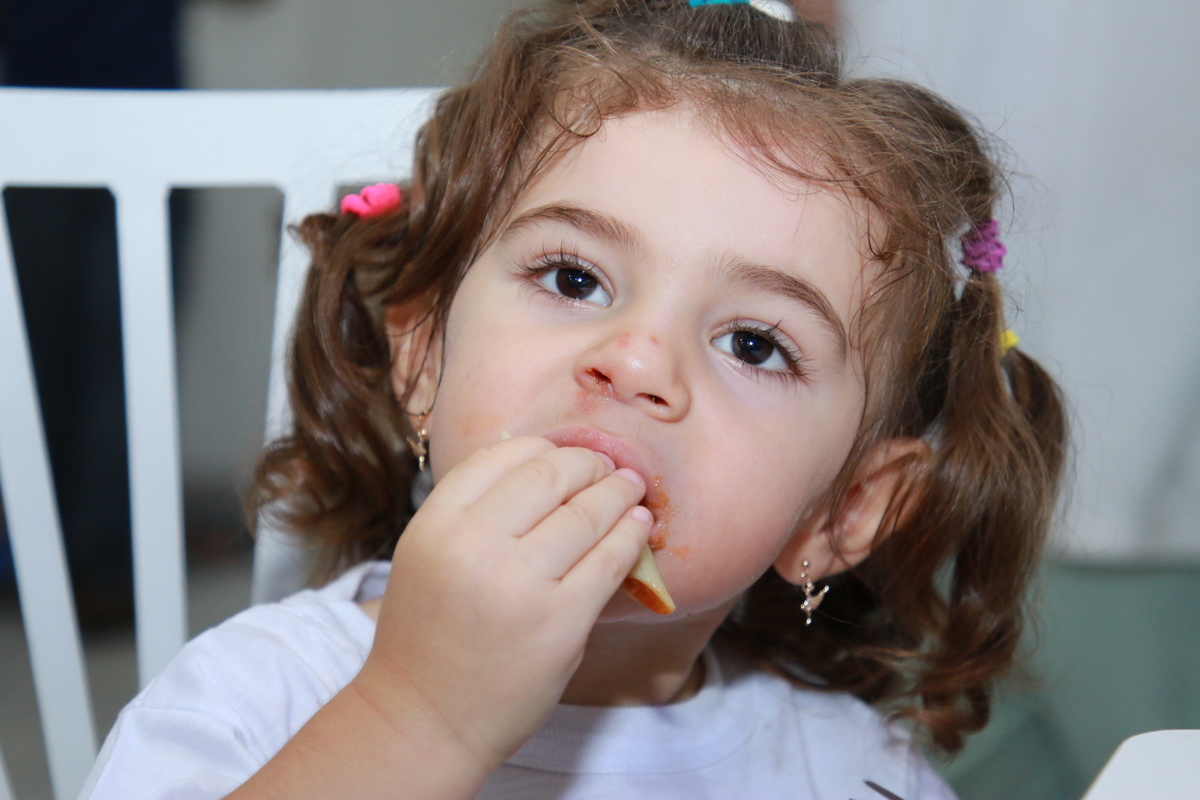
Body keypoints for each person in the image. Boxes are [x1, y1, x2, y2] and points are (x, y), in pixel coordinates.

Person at [79, 0, 1067, 797]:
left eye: (754, 344)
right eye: (574, 278)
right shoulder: (256, 701)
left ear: (847, 508)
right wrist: (416, 717)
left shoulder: (848, 771)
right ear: (424, 357)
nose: (634, 361)